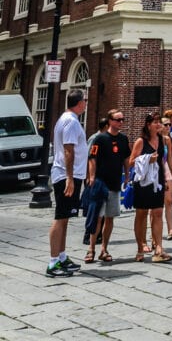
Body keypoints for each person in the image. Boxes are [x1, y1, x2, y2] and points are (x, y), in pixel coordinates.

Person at [47, 88, 88, 277]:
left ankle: (62, 257)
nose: (86, 104)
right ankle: (53, 262)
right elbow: (68, 150)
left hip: (69, 174)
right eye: (84, 101)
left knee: (65, 218)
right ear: (79, 103)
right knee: (60, 217)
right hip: (66, 175)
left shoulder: (65, 119)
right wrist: (70, 178)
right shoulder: (71, 122)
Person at [84, 108, 130, 264]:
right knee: (98, 217)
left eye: (122, 119)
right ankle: (91, 248)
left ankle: (104, 249)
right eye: (118, 120)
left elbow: (125, 158)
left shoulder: (123, 139)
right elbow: (92, 158)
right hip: (101, 182)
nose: (121, 122)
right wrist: (91, 176)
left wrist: (127, 175)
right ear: (110, 121)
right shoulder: (100, 139)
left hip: (115, 183)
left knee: (110, 218)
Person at [129, 111, 171, 263]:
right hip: (143, 181)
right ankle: (140, 247)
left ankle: (159, 248)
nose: (159, 124)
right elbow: (131, 162)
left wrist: (166, 179)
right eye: (155, 122)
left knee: (158, 212)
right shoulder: (141, 141)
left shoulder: (162, 140)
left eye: (160, 121)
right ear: (148, 125)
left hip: (157, 180)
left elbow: (161, 161)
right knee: (141, 214)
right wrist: (147, 160)